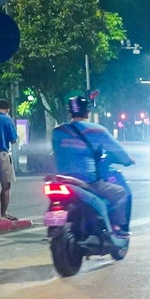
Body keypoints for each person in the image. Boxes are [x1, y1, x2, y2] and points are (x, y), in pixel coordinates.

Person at [50, 96, 134, 238]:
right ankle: (119, 229)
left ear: (70, 112)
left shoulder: (58, 131)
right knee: (121, 193)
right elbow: (118, 151)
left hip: (61, 179)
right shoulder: (98, 131)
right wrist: (128, 160)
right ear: (87, 112)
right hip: (87, 181)